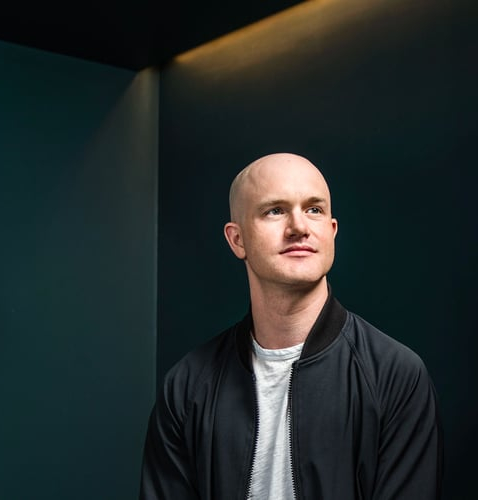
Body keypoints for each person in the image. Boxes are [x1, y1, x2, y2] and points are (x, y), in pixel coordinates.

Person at [140, 153, 442, 499]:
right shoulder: (187, 387)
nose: (299, 227)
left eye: (314, 209)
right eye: (275, 211)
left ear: (331, 232)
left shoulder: (396, 376)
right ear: (237, 239)